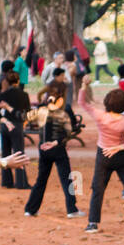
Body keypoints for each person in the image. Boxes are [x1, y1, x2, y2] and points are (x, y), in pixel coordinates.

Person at [79, 81, 124, 232]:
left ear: (107, 102)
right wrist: (121, 146)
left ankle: (92, 223)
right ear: (123, 105)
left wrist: (83, 85)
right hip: (121, 156)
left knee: (98, 189)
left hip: (104, 156)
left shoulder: (100, 116)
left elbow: (82, 102)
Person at [24, 83, 83, 218]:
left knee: (41, 179)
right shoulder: (65, 109)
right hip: (57, 148)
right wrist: (58, 141)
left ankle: (31, 209)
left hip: (43, 148)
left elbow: (28, 118)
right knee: (66, 179)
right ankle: (71, 209)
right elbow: (71, 129)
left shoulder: (41, 108)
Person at [0, 70, 31, 189]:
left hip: (5, 126)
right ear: (18, 81)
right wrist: (24, 122)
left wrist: (3, 120)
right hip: (17, 125)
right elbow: (27, 114)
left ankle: (6, 181)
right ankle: (21, 182)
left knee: (6, 154)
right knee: (19, 153)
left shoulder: (3, 95)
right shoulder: (24, 95)